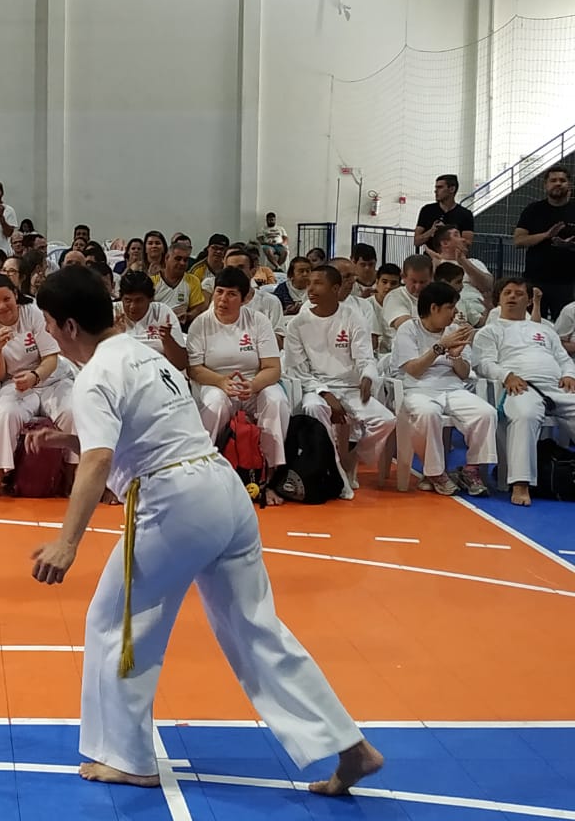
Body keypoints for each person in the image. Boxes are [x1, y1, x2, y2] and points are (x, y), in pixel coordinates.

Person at [27, 265, 383, 795]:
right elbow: (142, 429)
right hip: (223, 492)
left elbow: (101, 459)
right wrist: (63, 439)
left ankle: (128, 758)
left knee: (115, 625)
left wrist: (67, 541)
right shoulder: (144, 354)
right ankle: (348, 743)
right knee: (255, 628)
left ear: (70, 325)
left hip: (173, 502)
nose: (49, 335)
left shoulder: (97, 374)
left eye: (51, 325)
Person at [283, 266, 395, 494]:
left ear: (335, 288)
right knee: (314, 408)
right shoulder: (297, 324)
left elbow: (365, 357)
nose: (310, 288)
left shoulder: (352, 317)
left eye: (318, 283)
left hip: (351, 388)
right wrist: (324, 393)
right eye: (309, 283)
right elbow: (299, 370)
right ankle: (336, 473)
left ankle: (350, 456)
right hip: (315, 388)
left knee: (386, 421)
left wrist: (367, 377)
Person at [472, 276, 575, 506]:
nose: (512, 297)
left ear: (529, 301)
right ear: (499, 298)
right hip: (520, 386)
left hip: (557, 387)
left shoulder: (544, 330)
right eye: (507, 293)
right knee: (525, 415)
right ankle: (520, 484)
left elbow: (563, 358)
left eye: (519, 294)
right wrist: (506, 376)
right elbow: (484, 363)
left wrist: (570, 375)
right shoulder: (490, 331)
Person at [391, 281, 494, 496]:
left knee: (486, 413)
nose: (455, 313)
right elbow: (414, 369)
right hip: (418, 389)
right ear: (434, 308)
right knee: (428, 413)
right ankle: (436, 473)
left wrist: (456, 357)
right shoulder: (408, 329)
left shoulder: (455, 330)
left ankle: (471, 469)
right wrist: (441, 347)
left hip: (453, 388)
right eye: (450, 307)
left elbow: (464, 373)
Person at [0, 275, 73, 496]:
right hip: (15, 382)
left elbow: (51, 358)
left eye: (6, 299)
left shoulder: (34, 314)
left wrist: (35, 376)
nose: (1, 306)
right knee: (6, 412)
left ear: (16, 296)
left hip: (51, 378)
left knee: (71, 411)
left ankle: (71, 476)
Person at [186, 267, 288, 471]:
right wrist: (221, 382)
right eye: (219, 292)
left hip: (254, 384)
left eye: (231, 294)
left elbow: (272, 368)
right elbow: (194, 370)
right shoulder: (200, 324)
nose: (223, 299)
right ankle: (205, 466)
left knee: (276, 400)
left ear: (245, 298)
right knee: (215, 402)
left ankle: (270, 471)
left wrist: (253, 385)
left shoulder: (258, 321)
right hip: (215, 382)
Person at [513, 164, 575, 321]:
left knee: (563, 328)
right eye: (553, 180)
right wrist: (546, 235)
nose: (558, 183)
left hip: (568, 283)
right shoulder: (533, 210)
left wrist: (569, 245)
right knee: (530, 325)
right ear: (545, 185)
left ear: (569, 185)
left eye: (562, 180)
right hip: (535, 280)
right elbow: (519, 241)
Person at [414, 174, 475, 250]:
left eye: (440, 187)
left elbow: (467, 245)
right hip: (430, 258)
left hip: (453, 260)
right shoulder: (427, 210)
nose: (435, 191)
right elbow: (416, 241)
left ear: (452, 189)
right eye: (436, 187)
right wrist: (431, 231)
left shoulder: (465, 214)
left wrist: (446, 233)